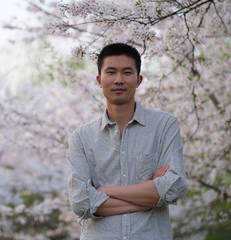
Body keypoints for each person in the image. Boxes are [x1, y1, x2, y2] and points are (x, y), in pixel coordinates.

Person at [66, 43, 188, 240]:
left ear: (139, 80)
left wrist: (106, 192)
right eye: (111, 72)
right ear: (99, 80)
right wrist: (151, 195)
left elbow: (175, 186)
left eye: (127, 72)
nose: (119, 80)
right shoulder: (81, 137)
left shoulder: (164, 125)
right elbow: (81, 202)